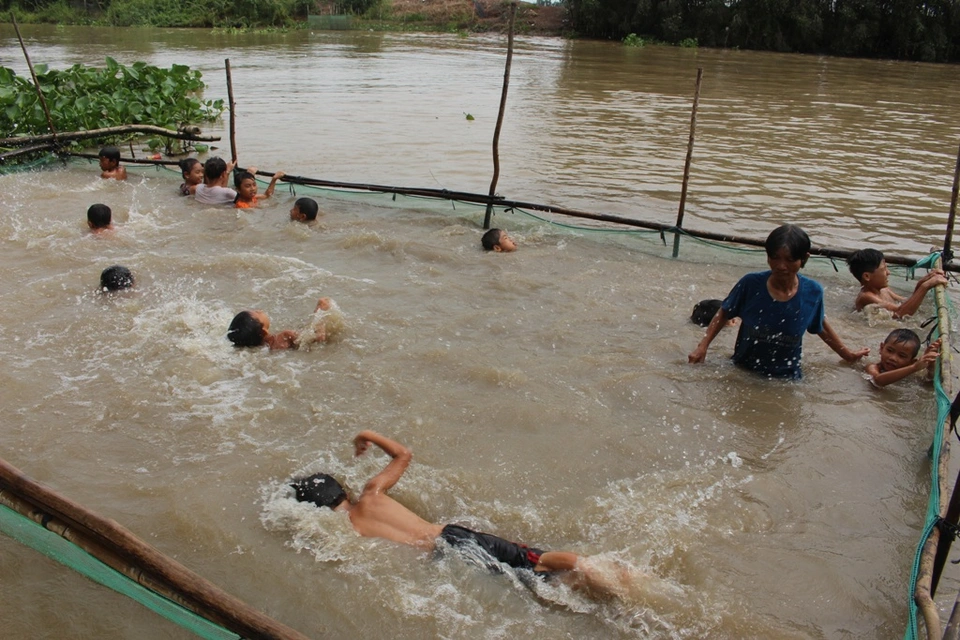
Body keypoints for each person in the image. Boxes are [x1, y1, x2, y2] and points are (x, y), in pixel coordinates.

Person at [290, 430, 631, 599]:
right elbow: (404, 455)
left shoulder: (349, 532)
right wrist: (365, 435)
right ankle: (607, 576)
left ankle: (601, 587)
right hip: (451, 537)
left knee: (533, 582)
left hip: (446, 559)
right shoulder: (371, 494)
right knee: (538, 560)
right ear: (343, 491)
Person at [688, 224, 869, 379]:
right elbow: (724, 312)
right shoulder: (750, 284)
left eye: (790, 260)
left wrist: (846, 354)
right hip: (742, 371)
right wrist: (702, 346)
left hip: (787, 377)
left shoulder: (813, 292)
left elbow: (819, 324)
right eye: (775, 258)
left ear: (804, 258)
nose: (781, 266)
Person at [847, 248, 947, 318]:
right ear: (867, 276)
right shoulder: (866, 297)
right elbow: (901, 314)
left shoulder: (884, 289)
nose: (888, 272)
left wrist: (922, 282)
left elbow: (906, 303)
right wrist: (925, 286)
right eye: (883, 269)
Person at [227, 298, 333, 350]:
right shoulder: (284, 336)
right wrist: (320, 312)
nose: (260, 310)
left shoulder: (263, 348)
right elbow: (319, 338)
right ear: (264, 330)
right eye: (258, 313)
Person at [865, 329, 940, 388]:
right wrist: (914, 367)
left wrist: (930, 364)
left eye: (901, 356)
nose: (893, 358)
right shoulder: (872, 367)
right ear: (881, 348)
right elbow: (877, 381)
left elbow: (929, 384)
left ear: (911, 361)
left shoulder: (910, 376)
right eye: (889, 350)